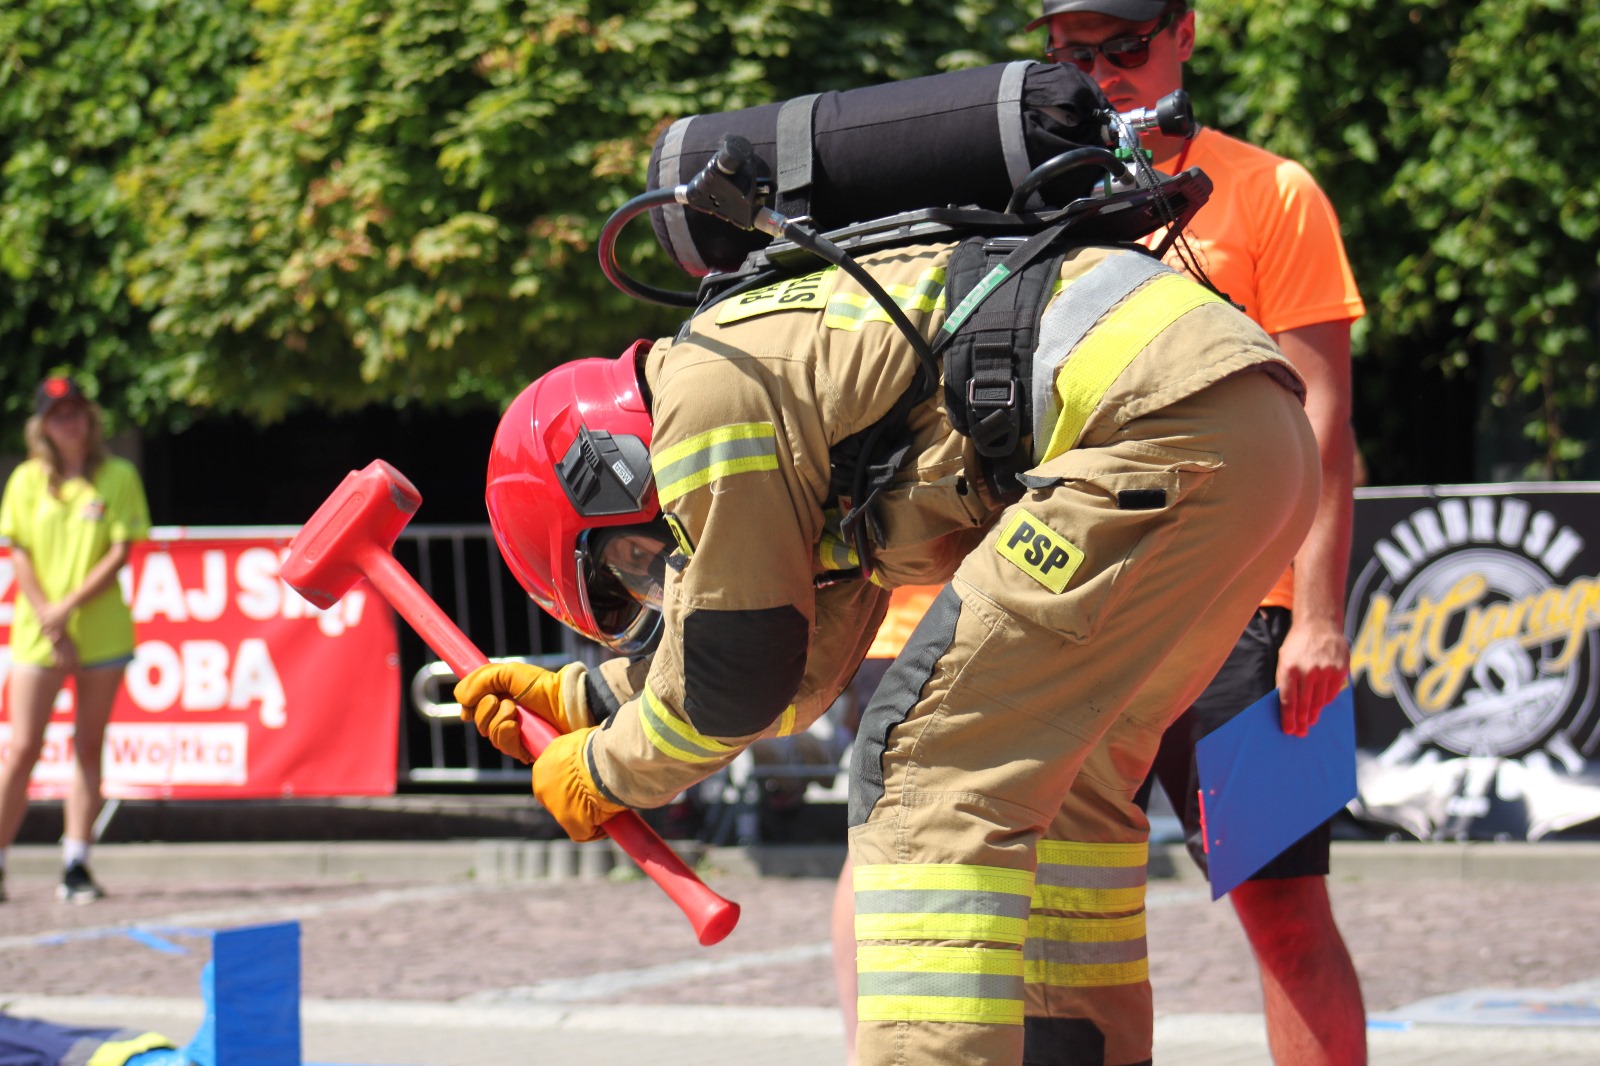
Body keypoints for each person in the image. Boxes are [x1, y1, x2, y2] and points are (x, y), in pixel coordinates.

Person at [454, 188, 1322, 1062]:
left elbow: (737, 677)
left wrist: (607, 769)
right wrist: (591, 699)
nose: (661, 576)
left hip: (1148, 434)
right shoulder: (775, 373)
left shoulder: (707, 395)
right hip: (1246, 428)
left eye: (634, 562)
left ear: (604, 465)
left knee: (923, 766)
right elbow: (797, 664)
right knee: (1068, 783)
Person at [1032, 2, 1368, 1064]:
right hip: (1084, 614)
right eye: (1074, 52)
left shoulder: (1273, 191)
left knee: (1283, 908)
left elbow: (1326, 422)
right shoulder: (1037, 201)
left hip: (1244, 617)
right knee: (1062, 918)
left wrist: (1316, 616)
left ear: (1183, 33)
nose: (1103, 70)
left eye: (1125, 46)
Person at [0, 375, 150, 904]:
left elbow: (120, 551)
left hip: (100, 632)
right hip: (38, 634)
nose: (70, 422)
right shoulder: (26, 479)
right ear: (42, 425)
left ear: (90, 419)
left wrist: (66, 608)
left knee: (88, 745)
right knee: (22, 748)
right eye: (58, 415)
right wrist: (49, 614)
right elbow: (17, 549)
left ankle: (76, 861)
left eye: (77, 412)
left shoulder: (117, 475)